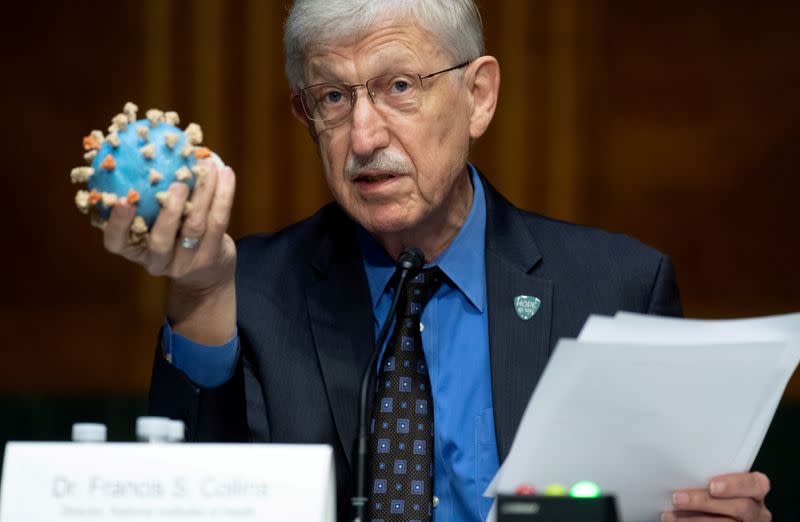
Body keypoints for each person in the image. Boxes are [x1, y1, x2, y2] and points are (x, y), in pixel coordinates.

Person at [100, 1, 772, 521]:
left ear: (479, 96)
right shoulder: (248, 290)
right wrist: (200, 296)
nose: (363, 136)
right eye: (333, 97)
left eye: (398, 86)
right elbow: (181, 498)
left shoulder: (616, 288)